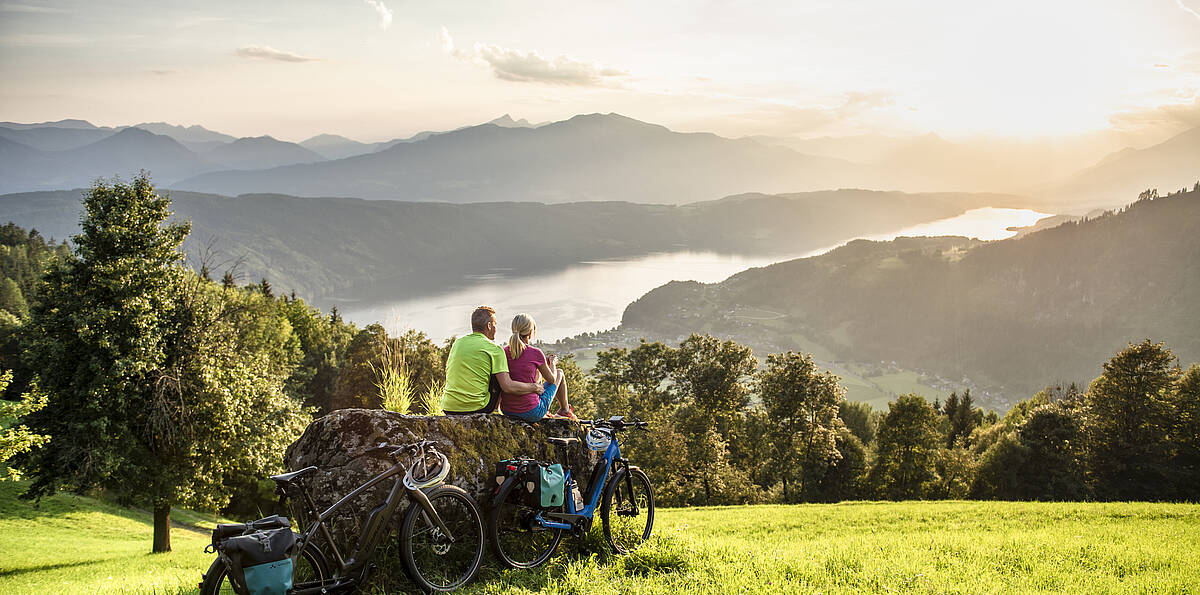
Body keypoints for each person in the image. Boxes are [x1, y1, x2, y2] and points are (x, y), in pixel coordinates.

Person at [441, 306, 542, 415]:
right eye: (495, 324)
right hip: (476, 408)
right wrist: (534, 387)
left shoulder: (458, 343)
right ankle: (495, 410)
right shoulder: (495, 349)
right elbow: (507, 386)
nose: (496, 328)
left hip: (448, 407)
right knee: (500, 375)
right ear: (489, 326)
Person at [500, 313, 578, 422]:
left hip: (507, 410)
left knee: (537, 375)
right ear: (531, 333)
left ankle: (560, 409)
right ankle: (565, 410)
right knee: (559, 373)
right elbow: (551, 379)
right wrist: (552, 363)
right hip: (532, 412)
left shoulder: (503, 352)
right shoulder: (536, 353)